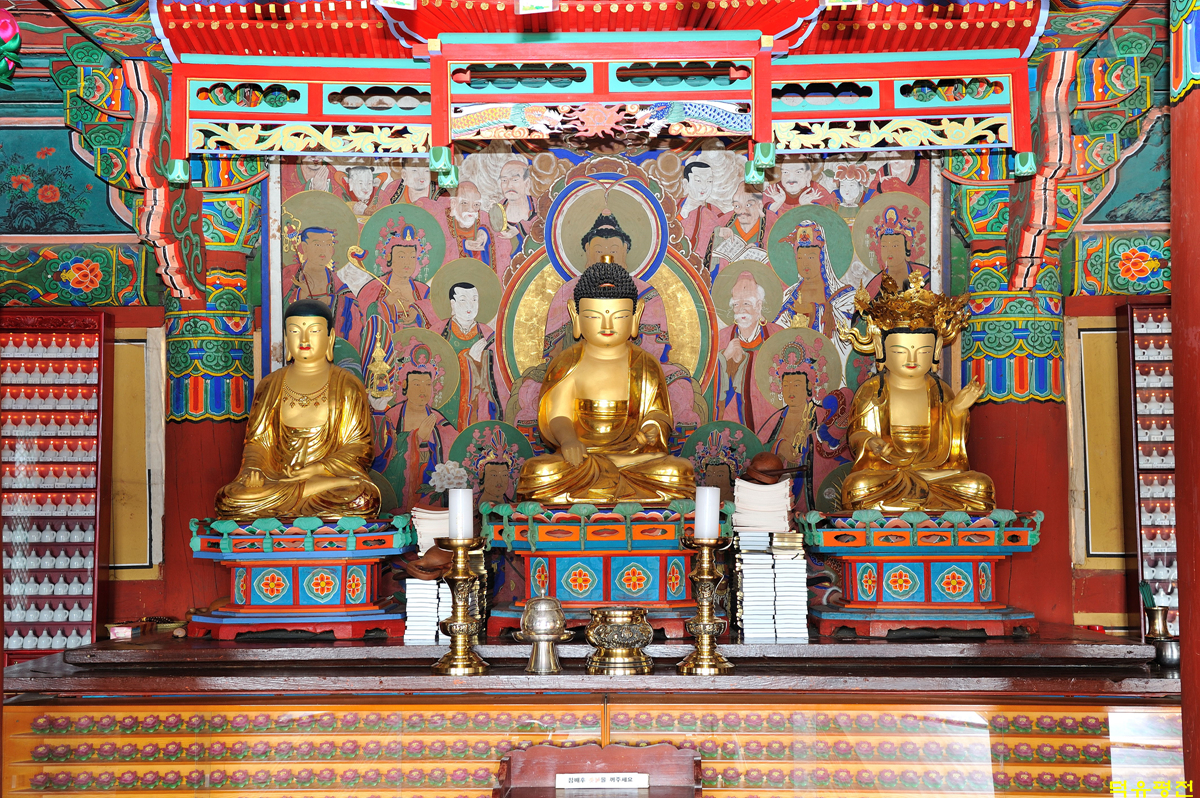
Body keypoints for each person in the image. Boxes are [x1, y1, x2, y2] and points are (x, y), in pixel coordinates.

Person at [516, 261, 695, 504]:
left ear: (636, 316)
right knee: (538, 473)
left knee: (677, 472)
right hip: (580, 460)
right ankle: (617, 492)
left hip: (632, 459)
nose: (607, 326)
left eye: (620, 316)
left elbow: (658, 413)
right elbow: (557, 415)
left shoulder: (646, 365)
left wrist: (653, 427)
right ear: (575, 315)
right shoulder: (567, 362)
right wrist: (569, 440)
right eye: (593, 316)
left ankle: (601, 491)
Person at [838, 276, 995, 511]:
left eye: (922, 351)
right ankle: (925, 504)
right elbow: (856, 435)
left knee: (979, 485)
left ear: (936, 351)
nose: (912, 359)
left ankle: (914, 502)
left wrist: (957, 410)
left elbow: (954, 453)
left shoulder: (941, 391)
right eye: (900, 351)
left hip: (934, 473)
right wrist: (871, 443)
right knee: (858, 486)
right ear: (881, 349)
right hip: (889, 474)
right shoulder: (872, 390)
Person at [215, 300, 381, 519]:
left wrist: (319, 469)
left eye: (314, 331)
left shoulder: (347, 385)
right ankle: (301, 496)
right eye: (295, 331)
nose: (304, 339)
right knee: (229, 499)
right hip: (277, 480)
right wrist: (253, 470)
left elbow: (359, 447)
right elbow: (258, 443)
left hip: (325, 481)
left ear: (330, 338)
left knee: (362, 497)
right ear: (286, 338)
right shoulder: (270, 385)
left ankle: (303, 495)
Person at [715, 271, 782, 431]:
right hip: (731, 417)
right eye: (736, 304)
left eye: (746, 303)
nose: (741, 310)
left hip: (769, 415)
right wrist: (724, 358)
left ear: (758, 305)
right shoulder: (722, 338)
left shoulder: (777, 335)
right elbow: (709, 382)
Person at [440, 281, 499, 429]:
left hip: (477, 404)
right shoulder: (439, 332)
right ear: (452, 304)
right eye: (463, 300)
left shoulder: (487, 334)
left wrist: (482, 361)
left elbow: (497, 376)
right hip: (448, 403)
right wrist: (469, 358)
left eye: (474, 300)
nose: (470, 305)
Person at [677, 161, 731, 269]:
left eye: (709, 181)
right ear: (686, 183)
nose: (704, 187)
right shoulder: (672, 208)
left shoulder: (715, 213)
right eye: (698, 181)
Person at [447, 181, 495, 269]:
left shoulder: (484, 218)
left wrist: (485, 233)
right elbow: (438, 247)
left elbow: (500, 239)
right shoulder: (442, 219)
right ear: (454, 203)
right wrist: (462, 245)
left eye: (476, 204)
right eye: (465, 203)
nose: (471, 209)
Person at [764, 160, 836, 213]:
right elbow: (763, 218)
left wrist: (808, 205)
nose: (791, 178)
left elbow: (830, 218)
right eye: (786, 172)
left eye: (798, 172)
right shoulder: (772, 191)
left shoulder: (818, 191)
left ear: (808, 175)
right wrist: (777, 204)